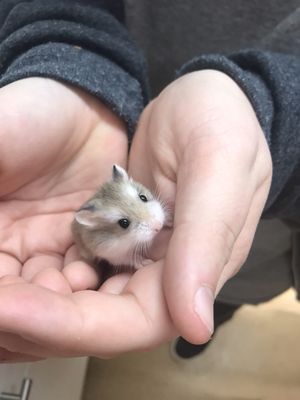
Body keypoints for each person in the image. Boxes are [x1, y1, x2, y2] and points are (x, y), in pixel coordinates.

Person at [0, 0, 298, 362]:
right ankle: (205, 318)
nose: (153, 219)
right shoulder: (97, 236)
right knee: (193, 291)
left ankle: (217, 316)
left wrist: (269, 111)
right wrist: (70, 65)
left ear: (132, 183)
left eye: (143, 199)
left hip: (269, 251)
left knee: (220, 295)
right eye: (126, 222)